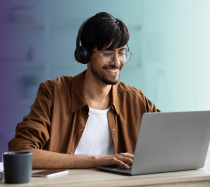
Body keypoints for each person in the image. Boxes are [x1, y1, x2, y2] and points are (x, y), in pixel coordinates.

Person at [9, 12, 160, 169]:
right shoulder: (53, 92)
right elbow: (22, 153)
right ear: (85, 54)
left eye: (121, 52)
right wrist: (98, 160)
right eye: (107, 53)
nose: (117, 62)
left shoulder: (135, 98)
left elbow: (172, 137)